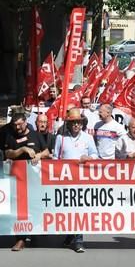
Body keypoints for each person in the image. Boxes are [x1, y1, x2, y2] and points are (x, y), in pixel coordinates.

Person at [3, 112, 50, 251]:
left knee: (35, 206)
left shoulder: (36, 135)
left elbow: (47, 151)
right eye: (14, 125)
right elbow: (8, 153)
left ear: (25, 122)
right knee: (19, 209)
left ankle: (34, 232)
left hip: (35, 179)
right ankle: (20, 239)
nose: (17, 127)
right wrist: (22, 149)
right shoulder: (11, 136)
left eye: (19, 124)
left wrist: (39, 155)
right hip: (18, 178)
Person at [54, 108, 98, 253]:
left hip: (82, 180)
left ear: (82, 123)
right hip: (65, 180)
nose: (76, 125)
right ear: (69, 124)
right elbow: (55, 158)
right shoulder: (61, 138)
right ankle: (70, 235)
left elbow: (95, 155)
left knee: (79, 209)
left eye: (78, 122)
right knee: (67, 209)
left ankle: (78, 240)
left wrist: (89, 158)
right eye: (73, 122)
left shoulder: (88, 138)